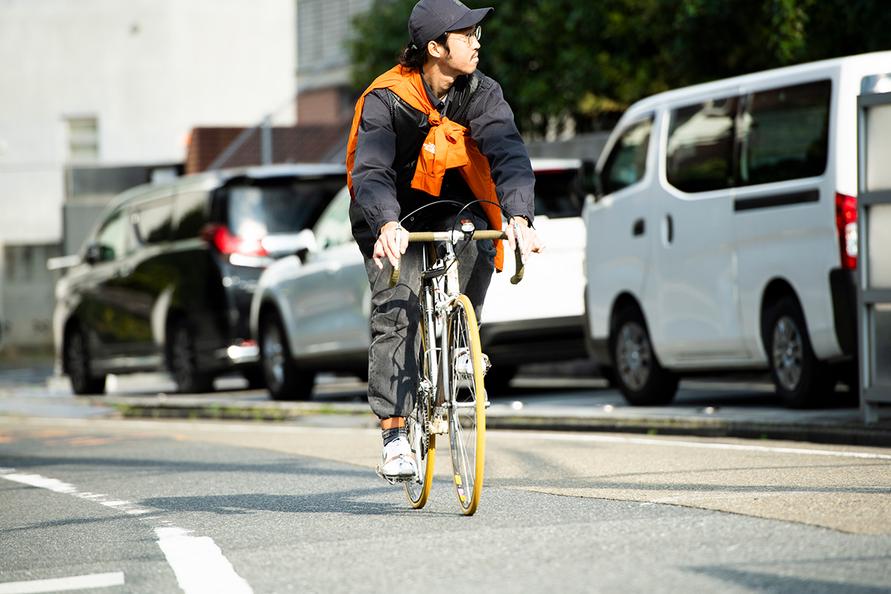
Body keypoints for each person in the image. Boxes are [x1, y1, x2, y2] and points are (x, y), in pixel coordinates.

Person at [345, 0, 542, 482]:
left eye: (478, 32)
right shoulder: (385, 98)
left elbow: (508, 153)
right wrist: (387, 223)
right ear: (435, 48)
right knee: (398, 304)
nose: (478, 42)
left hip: (455, 203)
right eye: (467, 34)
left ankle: (459, 340)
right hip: (392, 212)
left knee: (478, 232)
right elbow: (370, 172)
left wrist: (519, 214)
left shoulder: (482, 92)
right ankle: (394, 437)